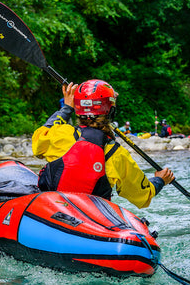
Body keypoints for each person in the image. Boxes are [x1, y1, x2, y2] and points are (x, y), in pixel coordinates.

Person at [32, 80, 175, 209]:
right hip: (90, 218)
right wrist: (160, 179)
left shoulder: (59, 133)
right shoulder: (117, 154)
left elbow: (38, 142)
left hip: (51, 208)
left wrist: (66, 108)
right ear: (111, 112)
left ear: (77, 110)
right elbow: (142, 196)